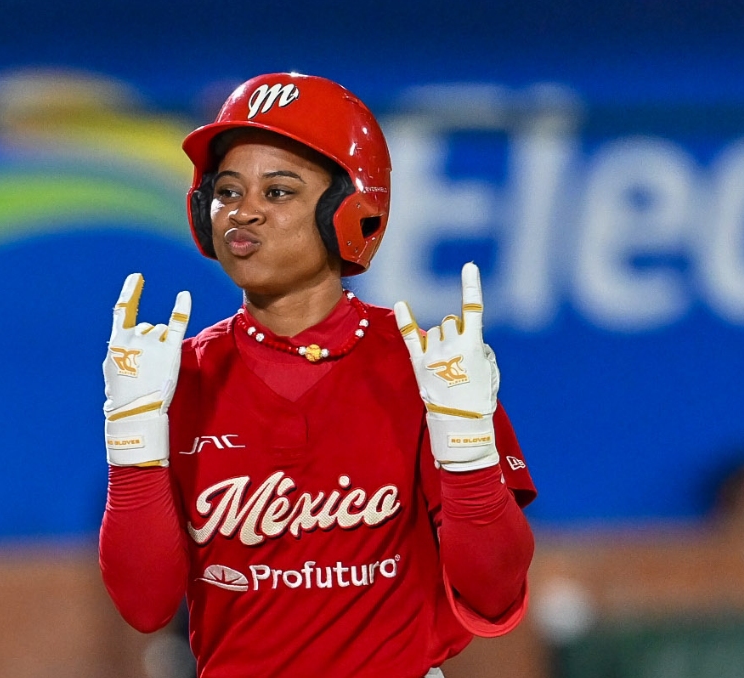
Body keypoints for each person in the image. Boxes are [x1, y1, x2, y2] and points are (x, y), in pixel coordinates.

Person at [98, 72, 537, 678]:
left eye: (278, 191)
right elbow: (145, 606)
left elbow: (493, 592)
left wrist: (469, 451)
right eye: (226, 191)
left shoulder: (428, 365)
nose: (243, 211)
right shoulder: (175, 377)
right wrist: (130, 441)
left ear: (349, 209)